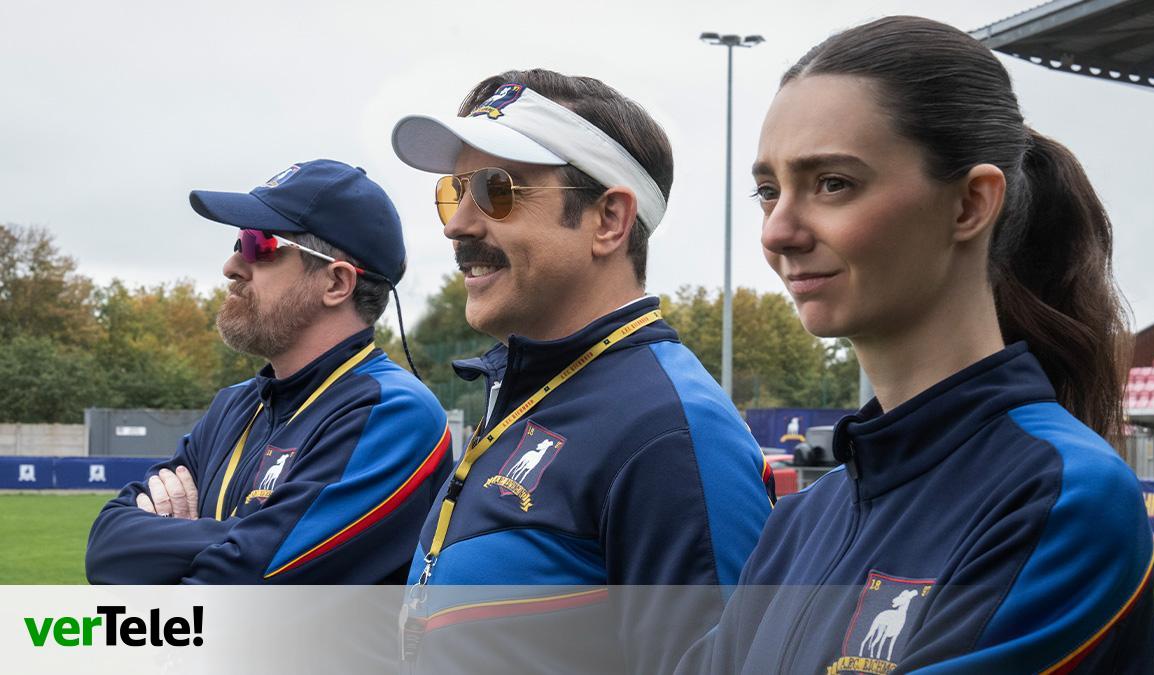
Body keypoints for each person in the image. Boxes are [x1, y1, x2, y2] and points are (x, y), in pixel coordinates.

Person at [678, 16, 1154, 674]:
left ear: (970, 204)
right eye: (768, 191)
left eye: (832, 183)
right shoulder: (799, 524)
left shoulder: (1061, 497)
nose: (778, 231)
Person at [390, 70, 774, 673]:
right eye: (454, 191)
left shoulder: (671, 432)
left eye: (495, 189)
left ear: (609, 220)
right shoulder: (529, 393)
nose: (456, 224)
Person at [86, 159, 453, 584]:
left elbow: (244, 587)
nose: (231, 265)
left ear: (336, 283)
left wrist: (180, 542)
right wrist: (234, 536)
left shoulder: (392, 412)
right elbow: (106, 547)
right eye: (237, 241)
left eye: (257, 244)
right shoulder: (235, 404)